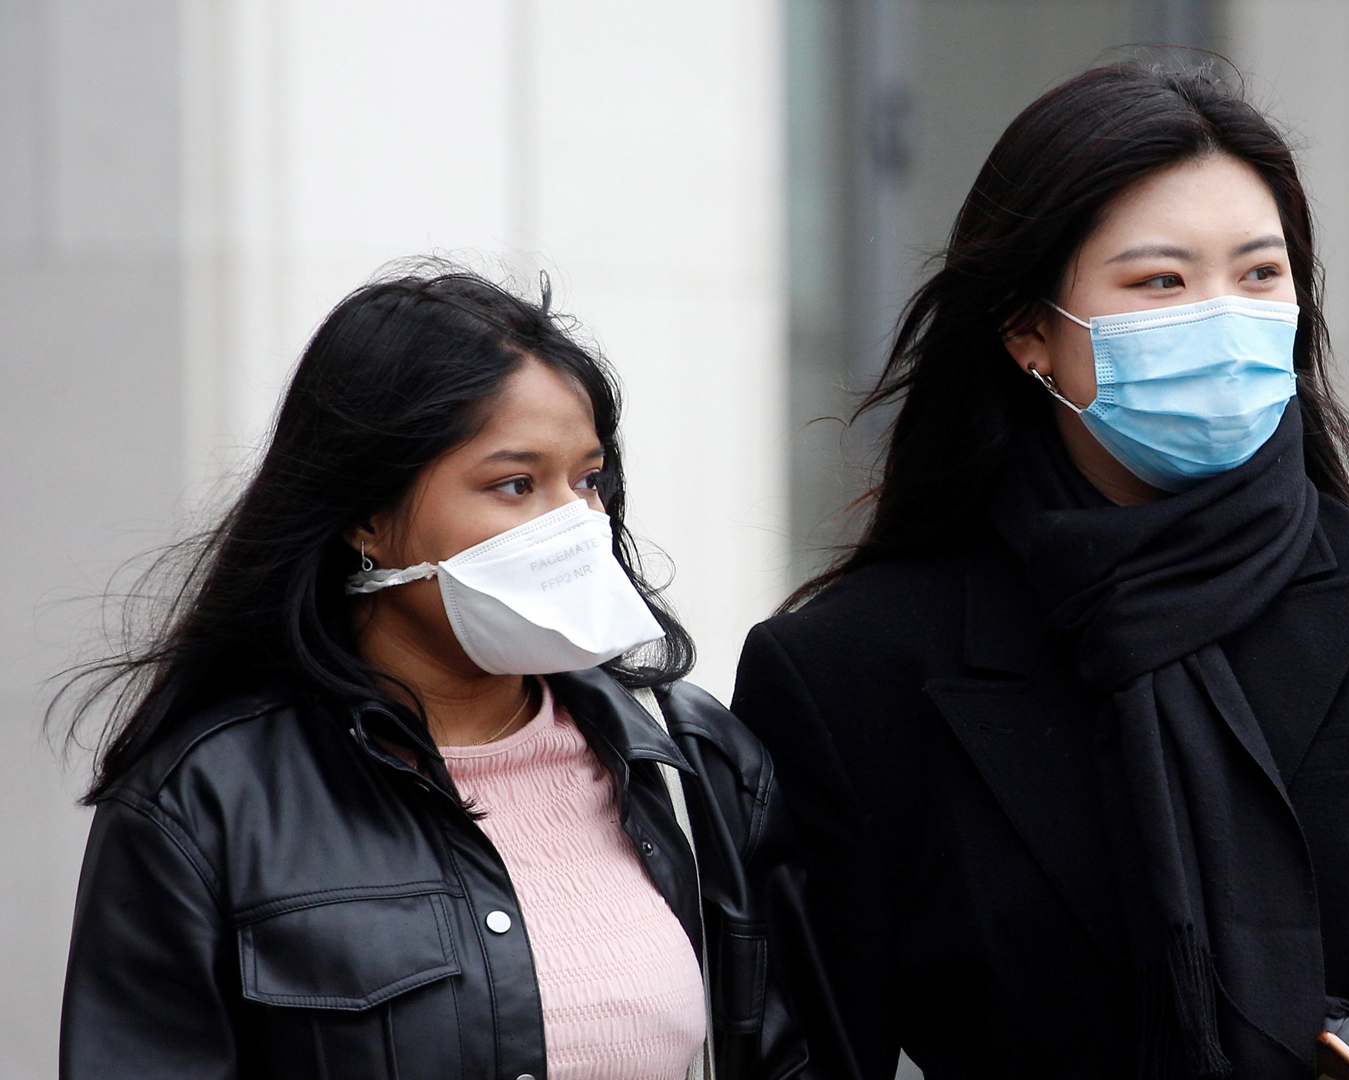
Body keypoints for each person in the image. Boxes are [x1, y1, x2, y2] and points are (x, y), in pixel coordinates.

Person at [730, 63, 1349, 1080]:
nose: (1224, 321)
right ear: (1028, 329)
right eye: (1161, 283)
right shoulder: (850, 668)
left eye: (1260, 275)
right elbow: (809, 1046)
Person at [59, 271, 830, 1080]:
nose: (575, 524)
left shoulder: (693, 762)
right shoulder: (207, 798)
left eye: (588, 480)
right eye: (514, 485)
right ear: (368, 516)